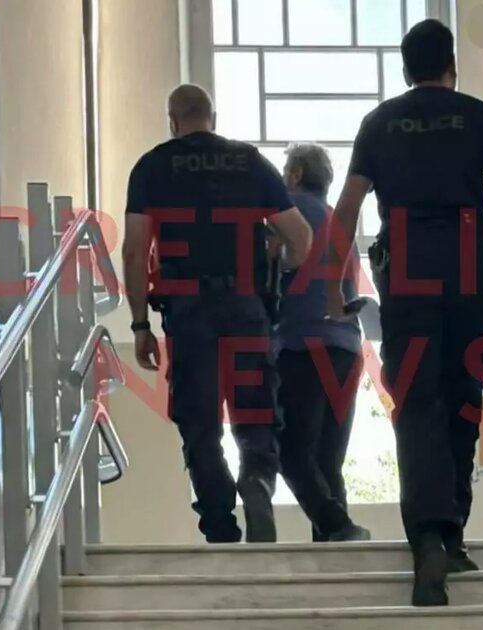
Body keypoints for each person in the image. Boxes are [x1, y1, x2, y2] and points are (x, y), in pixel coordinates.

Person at [324, 20, 483, 605]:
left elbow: (348, 207)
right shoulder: (477, 114)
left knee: (416, 397)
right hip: (469, 263)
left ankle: (429, 536)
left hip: (407, 264)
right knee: (463, 395)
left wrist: (331, 280)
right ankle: (451, 534)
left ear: (406, 70)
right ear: (452, 66)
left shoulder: (378, 122)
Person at [122, 84, 313, 544]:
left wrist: (140, 324)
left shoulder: (152, 167)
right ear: (214, 117)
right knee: (256, 412)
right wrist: (281, 271)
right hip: (247, 307)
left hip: (188, 312)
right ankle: (257, 481)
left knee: (200, 423)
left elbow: (133, 251)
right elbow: (301, 236)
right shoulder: (250, 162)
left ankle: (220, 525)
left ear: (173, 121)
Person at [271, 143, 371, 543]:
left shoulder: (286, 213)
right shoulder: (337, 221)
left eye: (285, 172)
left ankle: (337, 526)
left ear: (295, 175)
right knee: (327, 461)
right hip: (346, 349)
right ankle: (340, 551)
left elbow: (265, 266)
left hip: (303, 346)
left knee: (290, 450)